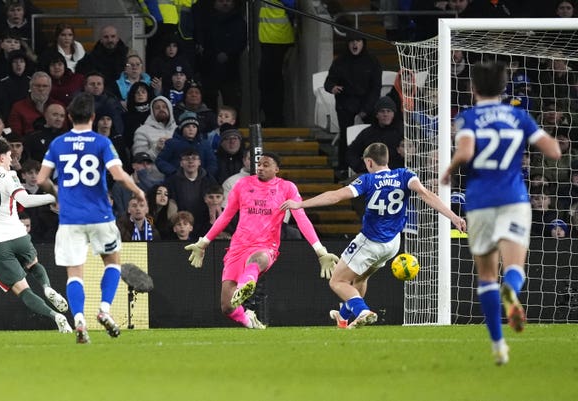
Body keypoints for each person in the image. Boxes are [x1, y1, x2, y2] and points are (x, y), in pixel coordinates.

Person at [441, 61, 561, 365]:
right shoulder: (518, 115)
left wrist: (450, 169)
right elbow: (554, 151)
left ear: (473, 88)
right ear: (504, 88)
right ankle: (512, 290)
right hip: (515, 199)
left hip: (480, 202)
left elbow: (466, 153)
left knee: (485, 276)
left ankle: (498, 346)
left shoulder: (468, 117)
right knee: (515, 267)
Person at [281, 142, 465, 328]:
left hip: (370, 241)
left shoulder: (367, 180)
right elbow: (425, 194)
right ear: (387, 159)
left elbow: (335, 196)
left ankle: (363, 311)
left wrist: (301, 204)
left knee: (337, 281)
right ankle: (344, 318)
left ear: (369, 162)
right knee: (360, 278)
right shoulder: (405, 174)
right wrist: (454, 217)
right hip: (393, 243)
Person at [36, 92, 146, 344]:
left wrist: (56, 193)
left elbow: (41, 179)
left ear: (70, 116)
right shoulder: (101, 142)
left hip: (69, 218)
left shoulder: (58, 143)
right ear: (94, 117)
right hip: (100, 215)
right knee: (113, 263)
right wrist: (138, 191)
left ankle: (79, 320)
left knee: (75, 273)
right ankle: (105, 310)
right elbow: (118, 175)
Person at [184, 152, 339, 329]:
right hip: (238, 246)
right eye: (259, 164)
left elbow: (302, 219)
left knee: (258, 260)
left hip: (266, 246)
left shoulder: (286, 188)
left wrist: (320, 251)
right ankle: (248, 319)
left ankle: (245, 286)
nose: (260, 167)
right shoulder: (243, 184)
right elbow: (226, 216)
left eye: (266, 165)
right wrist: (204, 242)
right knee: (227, 307)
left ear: (276, 169)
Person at [0, 138, 72, 332]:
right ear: (2, 157)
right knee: (34, 264)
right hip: (17, 236)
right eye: (10, 156)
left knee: (23, 290)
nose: (11, 160)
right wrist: (53, 196)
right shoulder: (8, 176)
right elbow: (25, 201)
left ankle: (56, 317)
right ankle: (46, 287)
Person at [324, 31, 382, 176]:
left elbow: (376, 88)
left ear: (363, 43)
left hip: (367, 105)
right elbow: (329, 81)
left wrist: (365, 110)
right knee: (345, 136)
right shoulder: (340, 61)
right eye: (351, 41)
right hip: (345, 105)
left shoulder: (372, 61)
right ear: (347, 44)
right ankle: (343, 167)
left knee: (370, 136)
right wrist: (332, 88)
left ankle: (373, 165)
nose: (355, 44)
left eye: (358, 41)